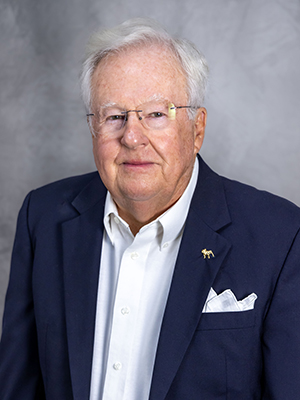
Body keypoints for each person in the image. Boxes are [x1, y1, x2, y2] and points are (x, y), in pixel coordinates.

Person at [0, 17, 300, 400]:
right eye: (114, 116)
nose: (132, 136)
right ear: (93, 129)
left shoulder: (280, 236)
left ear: (197, 129)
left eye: (157, 114)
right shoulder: (42, 217)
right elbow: (17, 387)